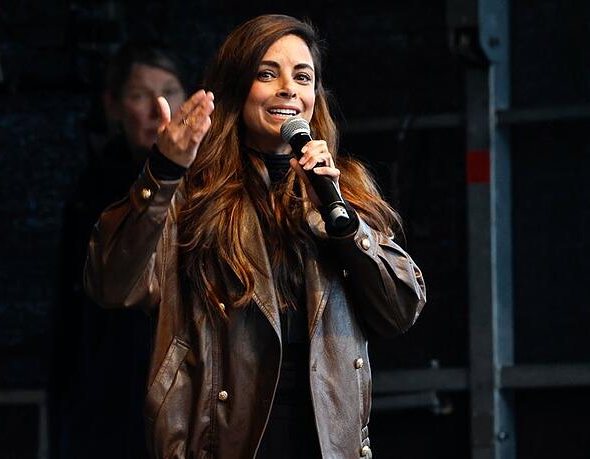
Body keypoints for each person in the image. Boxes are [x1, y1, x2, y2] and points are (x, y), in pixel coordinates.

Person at [84, 15, 426, 459]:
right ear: (236, 89)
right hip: (222, 443)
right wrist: (164, 171)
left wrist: (344, 225)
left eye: (302, 77)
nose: (288, 89)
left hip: (325, 443)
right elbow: (111, 282)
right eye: (267, 74)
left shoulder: (343, 190)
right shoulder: (193, 196)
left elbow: (400, 309)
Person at [49, 41, 186, 458]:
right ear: (113, 106)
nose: (158, 108)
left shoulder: (209, 184)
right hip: (114, 380)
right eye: (141, 95)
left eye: (169, 91)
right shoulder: (95, 191)